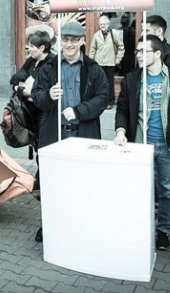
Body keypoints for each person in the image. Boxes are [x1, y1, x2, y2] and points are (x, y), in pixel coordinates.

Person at [114, 35, 170, 251]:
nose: (139, 55)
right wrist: (121, 131)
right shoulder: (132, 79)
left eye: (144, 51)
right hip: (141, 146)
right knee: (142, 188)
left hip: (169, 147)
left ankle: (163, 231)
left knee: (167, 190)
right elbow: (122, 109)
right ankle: (143, 227)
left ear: (158, 53)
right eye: (138, 51)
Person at [32, 20, 108, 242]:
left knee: (82, 181)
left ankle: (79, 224)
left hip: (82, 133)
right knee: (52, 182)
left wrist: (78, 111)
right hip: (54, 133)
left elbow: (103, 98)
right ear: (60, 41)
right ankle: (49, 223)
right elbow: (36, 95)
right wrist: (48, 96)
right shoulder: (49, 67)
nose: (69, 44)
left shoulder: (93, 69)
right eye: (65, 39)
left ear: (82, 41)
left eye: (74, 40)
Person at [10, 29, 55, 189]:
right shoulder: (31, 61)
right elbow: (15, 78)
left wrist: (24, 90)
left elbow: (42, 92)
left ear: (42, 47)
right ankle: (41, 179)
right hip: (30, 113)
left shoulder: (52, 64)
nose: (29, 49)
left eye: (32, 46)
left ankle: (43, 181)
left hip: (44, 113)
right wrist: (22, 88)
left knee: (43, 147)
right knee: (36, 145)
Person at [88, 15, 124, 109]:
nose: (102, 26)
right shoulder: (96, 35)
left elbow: (121, 47)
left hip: (110, 63)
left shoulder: (113, 34)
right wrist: (91, 62)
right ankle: (99, 101)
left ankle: (110, 102)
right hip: (99, 63)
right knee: (99, 83)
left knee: (109, 83)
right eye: (101, 24)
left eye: (104, 24)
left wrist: (118, 59)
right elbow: (92, 49)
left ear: (108, 25)